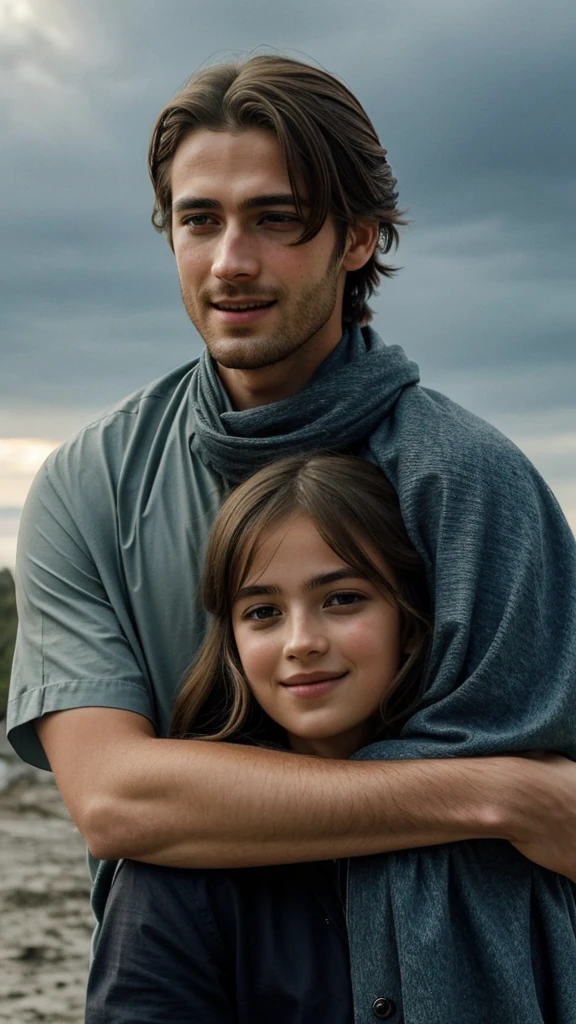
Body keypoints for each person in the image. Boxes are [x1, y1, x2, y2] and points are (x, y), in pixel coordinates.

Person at [7, 54, 576, 1022]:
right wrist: (499, 797)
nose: (231, 261)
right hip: (186, 972)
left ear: (357, 239)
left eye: (276, 218)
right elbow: (114, 801)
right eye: (199, 220)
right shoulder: (90, 488)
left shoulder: (477, 487)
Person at [86, 453, 576, 1022]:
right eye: (263, 611)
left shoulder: (539, 822)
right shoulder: (178, 869)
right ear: (234, 645)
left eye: (342, 598)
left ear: (412, 620)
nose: (302, 641)